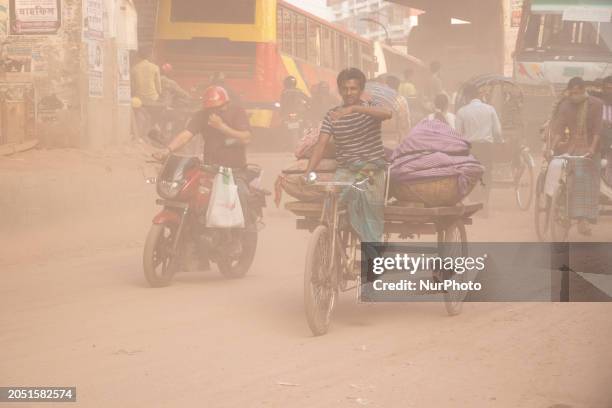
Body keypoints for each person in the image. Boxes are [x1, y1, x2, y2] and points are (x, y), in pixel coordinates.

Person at [305, 68, 393, 243]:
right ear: (339, 90)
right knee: (331, 201)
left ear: (361, 90)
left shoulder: (370, 107)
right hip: (346, 170)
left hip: (371, 170)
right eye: (345, 88)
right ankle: (331, 244)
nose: (348, 92)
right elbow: (321, 145)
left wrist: (355, 109)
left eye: (353, 88)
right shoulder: (332, 115)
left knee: (369, 211)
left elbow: (387, 113)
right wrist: (308, 172)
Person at [154, 86, 254, 226]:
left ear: (226, 104)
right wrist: (167, 150)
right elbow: (186, 135)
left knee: (241, 197)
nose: (214, 112)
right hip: (209, 169)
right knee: (192, 196)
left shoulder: (237, 113)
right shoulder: (202, 116)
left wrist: (221, 127)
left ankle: (240, 235)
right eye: (210, 109)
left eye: (218, 108)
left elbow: (246, 138)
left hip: (234, 171)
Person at [549, 77, 603, 235]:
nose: (575, 95)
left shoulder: (596, 104)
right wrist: (552, 147)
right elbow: (559, 130)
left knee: (588, 186)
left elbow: (598, 130)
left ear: (584, 90)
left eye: (578, 92)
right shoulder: (566, 105)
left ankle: (583, 220)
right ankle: (566, 212)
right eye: (572, 93)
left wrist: (592, 149)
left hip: (591, 150)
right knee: (571, 181)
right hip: (572, 148)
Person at [456, 83, 503, 215]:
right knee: (486, 173)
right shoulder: (490, 109)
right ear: (478, 95)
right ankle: (485, 200)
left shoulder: (462, 112)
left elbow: (458, 134)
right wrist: (498, 142)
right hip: (487, 147)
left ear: (466, 97)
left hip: (469, 148)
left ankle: (474, 201)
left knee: (470, 174)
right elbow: (498, 132)